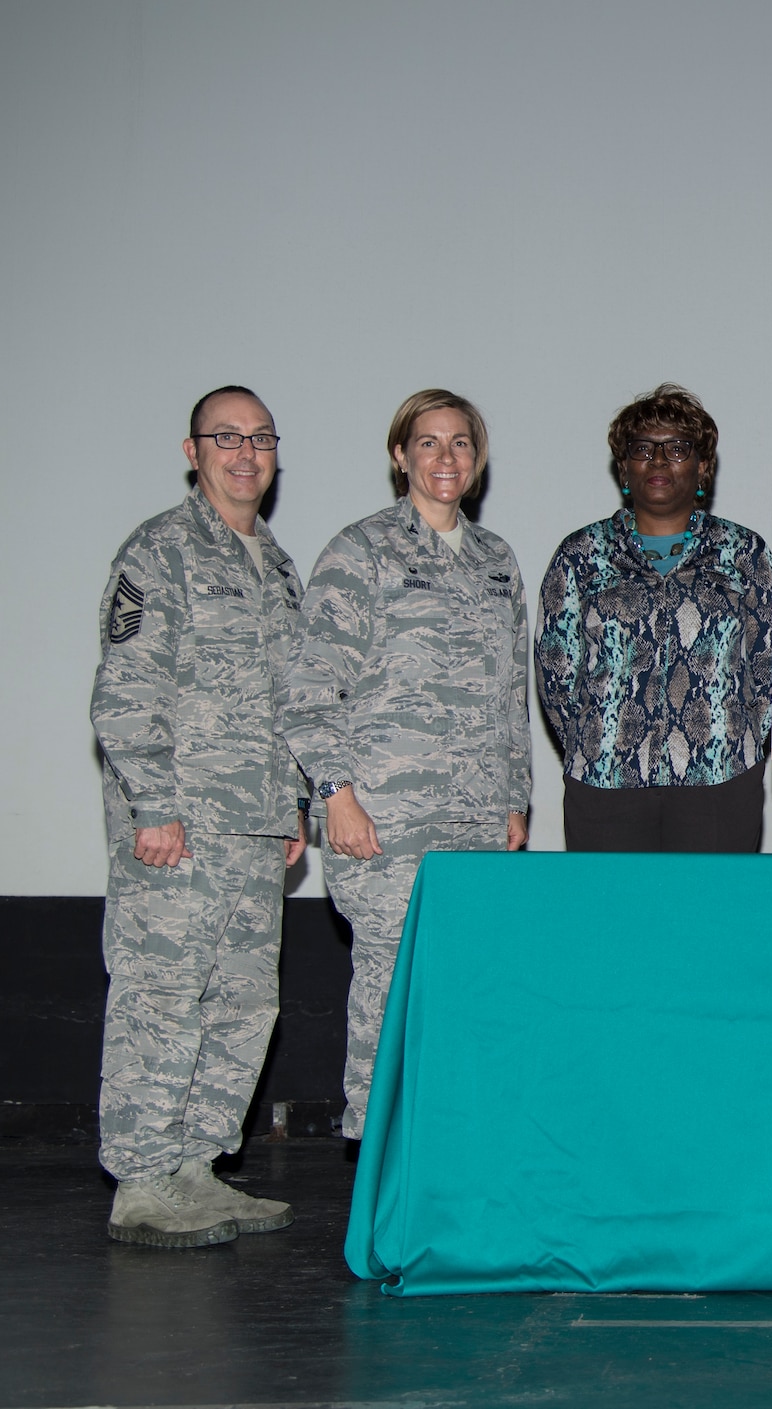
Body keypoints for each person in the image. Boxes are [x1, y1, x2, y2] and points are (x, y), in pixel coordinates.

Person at [282, 389, 531, 1142]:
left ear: (477, 458)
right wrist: (336, 795)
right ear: (400, 456)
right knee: (390, 1000)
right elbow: (309, 687)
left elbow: (511, 690)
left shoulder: (496, 561)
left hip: (477, 826)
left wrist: (515, 794)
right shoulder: (361, 552)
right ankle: (379, 1160)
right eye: (428, 442)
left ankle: (451, 1158)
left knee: (466, 995)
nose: (445, 458)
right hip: (386, 825)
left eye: (460, 443)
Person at [90, 385, 306, 1247]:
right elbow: (124, 693)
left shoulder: (278, 566)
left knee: (245, 1001)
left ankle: (197, 1167)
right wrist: (152, 804)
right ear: (193, 450)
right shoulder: (160, 551)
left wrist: (292, 798)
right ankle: (141, 1180)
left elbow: (292, 700)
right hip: (178, 824)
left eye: (260, 437)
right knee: (161, 996)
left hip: (253, 826)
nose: (245, 452)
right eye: (226, 436)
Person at [536, 383, 772, 851]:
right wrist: (600, 738)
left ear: (703, 466)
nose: (659, 461)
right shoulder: (581, 556)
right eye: (643, 449)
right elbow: (557, 673)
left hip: (720, 780)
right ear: (624, 466)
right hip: (605, 784)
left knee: (710, 920)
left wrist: (739, 740)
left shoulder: (744, 553)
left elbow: (770, 662)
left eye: (677, 449)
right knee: (613, 921)